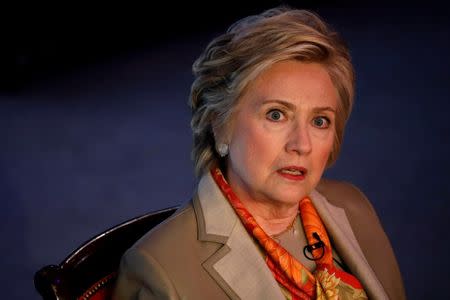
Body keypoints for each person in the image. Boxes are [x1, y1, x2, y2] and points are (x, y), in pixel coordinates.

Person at [112, 6, 405, 300]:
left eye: (319, 121)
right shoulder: (159, 269)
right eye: (276, 115)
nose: (301, 144)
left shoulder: (354, 208)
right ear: (220, 125)